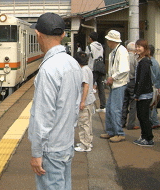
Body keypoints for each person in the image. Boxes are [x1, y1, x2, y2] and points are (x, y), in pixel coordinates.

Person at [28, 12, 82, 190]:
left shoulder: (48, 68)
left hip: (51, 149)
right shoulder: (73, 63)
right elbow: (75, 106)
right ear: (63, 35)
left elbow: (43, 116)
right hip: (66, 144)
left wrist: (37, 152)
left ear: (38, 34)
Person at [100, 30, 129, 143]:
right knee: (110, 108)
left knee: (115, 109)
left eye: (108, 40)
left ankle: (119, 133)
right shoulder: (113, 52)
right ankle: (111, 131)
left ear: (112, 41)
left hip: (119, 84)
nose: (107, 41)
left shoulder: (121, 51)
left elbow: (124, 69)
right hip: (115, 84)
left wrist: (113, 77)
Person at [133, 39, 155, 146]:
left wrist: (137, 94)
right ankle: (144, 136)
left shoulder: (145, 61)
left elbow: (142, 79)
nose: (137, 48)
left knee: (144, 117)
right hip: (142, 93)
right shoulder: (141, 60)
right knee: (141, 116)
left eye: (140, 46)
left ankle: (148, 138)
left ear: (145, 48)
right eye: (136, 46)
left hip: (145, 94)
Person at [74, 52, 96, 152]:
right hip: (90, 100)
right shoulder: (88, 69)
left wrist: (82, 101)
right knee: (87, 123)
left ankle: (84, 145)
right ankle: (88, 142)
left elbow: (85, 86)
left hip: (86, 101)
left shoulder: (83, 70)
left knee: (83, 123)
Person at [86, 32, 106, 112]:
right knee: (101, 88)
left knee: (90, 88)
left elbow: (86, 56)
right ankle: (103, 106)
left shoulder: (89, 47)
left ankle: (91, 106)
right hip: (101, 68)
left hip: (93, 69)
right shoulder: (101, 46)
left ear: (90, 38)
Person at [121, 41, 139, 130]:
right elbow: (137, 71)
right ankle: (131, 124)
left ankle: (122, 122)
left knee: (124, 102)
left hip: (124, 81)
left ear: (127, 49)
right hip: (132, 81)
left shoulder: (124, 57)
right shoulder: (136, 59)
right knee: (133, 103)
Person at [148, 44, 160, 129]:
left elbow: (154, 76)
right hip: (155, 86)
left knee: (151, 105)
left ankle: (155, 122)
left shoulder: (151, 62)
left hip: (152, 87)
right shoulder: (154, 61)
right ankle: (154, 121)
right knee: (152, 105)